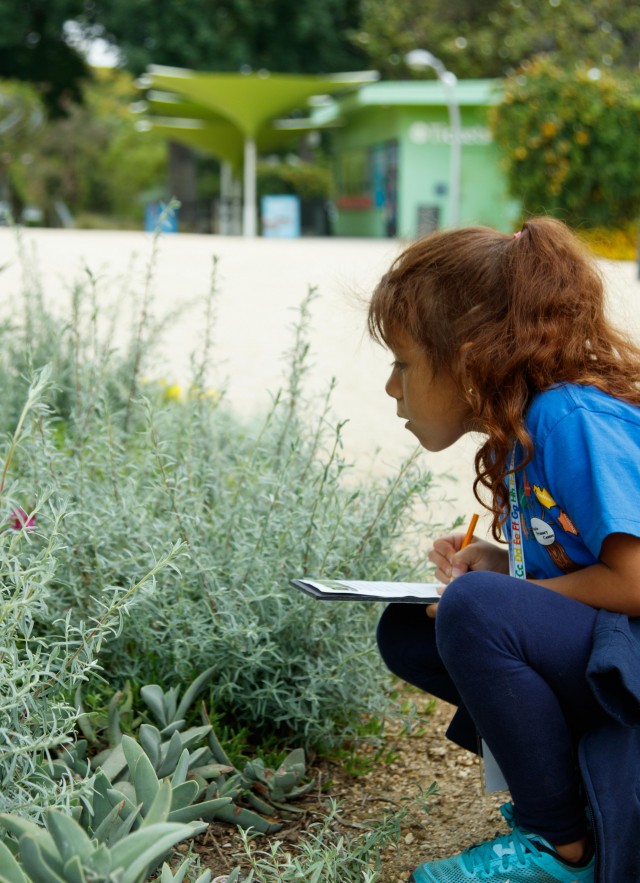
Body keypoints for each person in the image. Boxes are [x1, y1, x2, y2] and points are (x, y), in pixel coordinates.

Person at [368, 217, 640, 883]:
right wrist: (498, 564)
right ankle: (571, 791)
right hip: (609, 650)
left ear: (468, 356)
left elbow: (634, 581)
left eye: (403, 363)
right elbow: (578, 557)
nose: (391, 387)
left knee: (476, 612)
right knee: (408, 632)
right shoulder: (521, 433)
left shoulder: (568, 418)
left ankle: (561, 845)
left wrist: (508, 599)